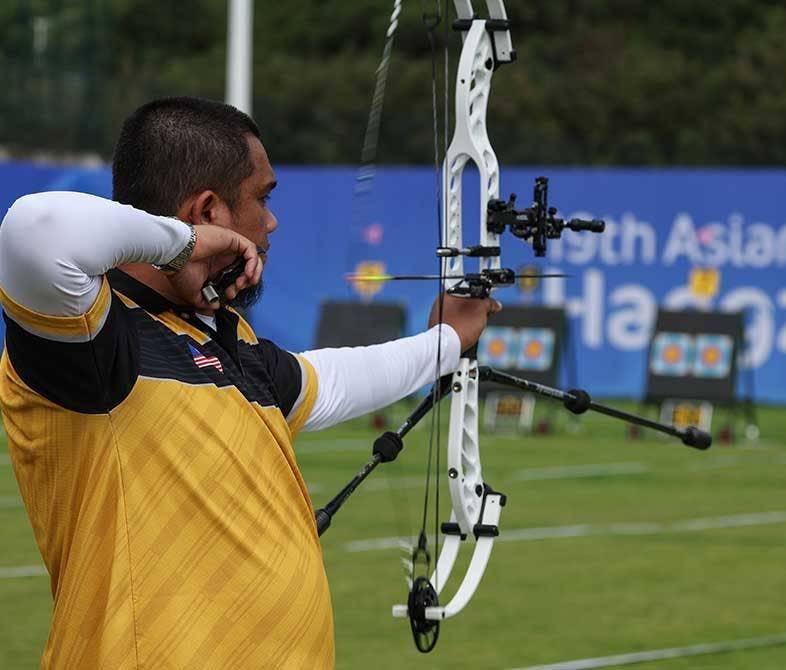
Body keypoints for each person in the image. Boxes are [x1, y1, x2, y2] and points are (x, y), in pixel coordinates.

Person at [0, 96, 498, 669]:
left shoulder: (231, 343)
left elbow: (334, 380)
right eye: (262, 198)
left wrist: (445, 342)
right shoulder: (94, 342)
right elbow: (34, 231)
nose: (271, 223)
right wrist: (181, 243)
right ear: (208, 211)